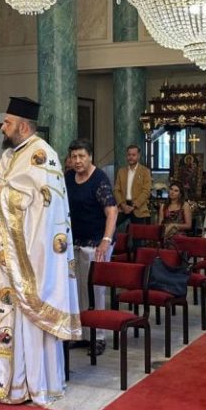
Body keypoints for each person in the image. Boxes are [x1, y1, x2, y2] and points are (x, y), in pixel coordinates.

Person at [0, 97, 80, 404]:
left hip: (30, 261)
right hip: (4, 259)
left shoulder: (42, 155)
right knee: (4, 318)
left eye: (7, 123)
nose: (2, 127)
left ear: (23, 126)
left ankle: (31, 383)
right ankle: (4, 382)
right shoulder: (10, 156)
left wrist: (5, 195)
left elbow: (46, 209)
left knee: (28, 322)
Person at [66, 138, 117, 356]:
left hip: (96, 244)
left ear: (90, 157)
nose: (77, 161)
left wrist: (106, 240)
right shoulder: (68, 178)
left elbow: (112, 211)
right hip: (73, 243)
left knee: (95, 291)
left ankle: (98, 336)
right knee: (76, 292)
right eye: (74, 157)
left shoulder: (99, 179)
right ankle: (81, 334)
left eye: (81, 156)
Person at [113, 144, 152, 228]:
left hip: (138, 207)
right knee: (110, 226)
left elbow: (146, 191)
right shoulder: (121, 171)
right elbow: (116, 190)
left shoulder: (145, 171)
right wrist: (123, 205)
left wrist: (134, 205)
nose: (131, 157)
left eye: (133, 155)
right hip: (123, 206)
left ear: (138, 156)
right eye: (129, 155)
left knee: (137, 238)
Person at [159, 181, 193, 245]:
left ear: (180, 194)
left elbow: (188, 225)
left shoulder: (185, 205)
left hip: (179, 236)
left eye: (176, 191)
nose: (172, 192)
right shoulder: (163, 206)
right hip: (165, 234)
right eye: (171, 189)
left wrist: (173, 225)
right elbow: (160, 224)